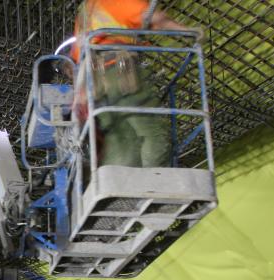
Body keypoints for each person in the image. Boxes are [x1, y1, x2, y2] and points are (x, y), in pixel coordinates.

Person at [71, 0, 196, 168]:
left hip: (95, 84)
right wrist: (189, 32)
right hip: (121, 72)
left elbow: (77, 58)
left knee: (121, 142)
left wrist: (80, 96)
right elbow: (155, 18)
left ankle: (118, 189)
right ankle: (153, 187)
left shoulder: (85, 12)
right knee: (153, 134)